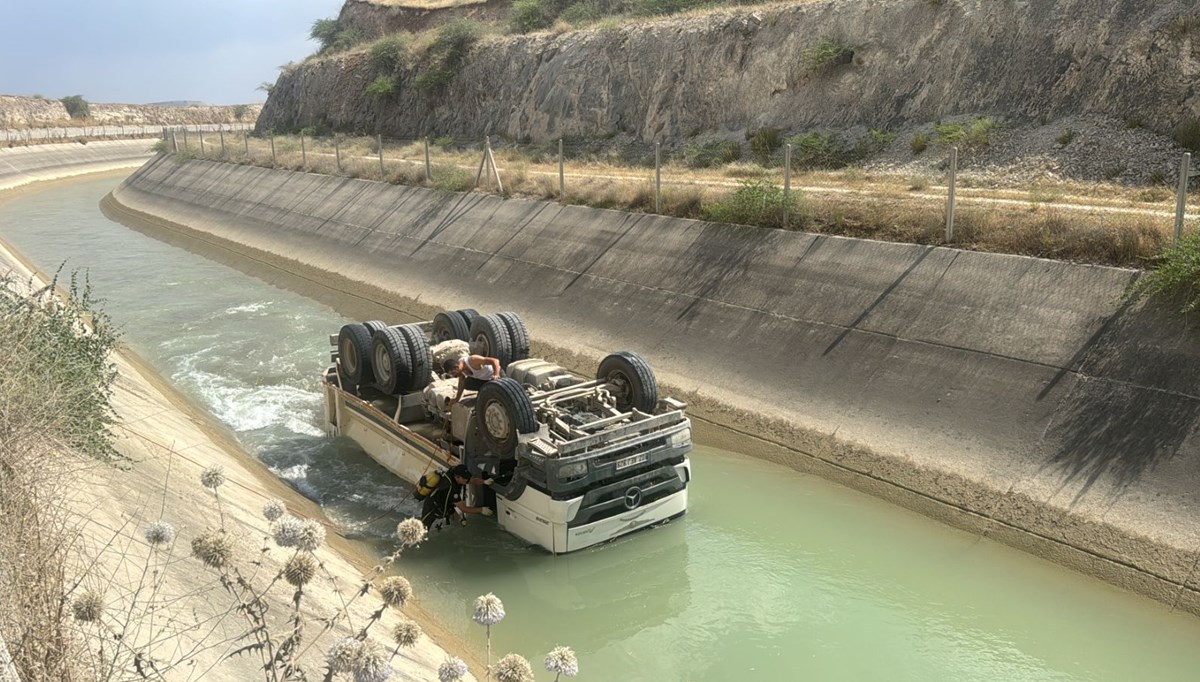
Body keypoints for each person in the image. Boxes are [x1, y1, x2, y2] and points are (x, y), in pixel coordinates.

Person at [420, 464, 494, 529]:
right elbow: (464, 509)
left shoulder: (456, 474)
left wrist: (484, 482)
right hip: (433, 506)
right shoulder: (452, 490)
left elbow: (473, 480)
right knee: (422, 530)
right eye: (464, 478)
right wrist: (481, 510)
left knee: (458, 522)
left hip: (447, 503)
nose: (466, 480)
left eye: (467, 477)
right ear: (457, 477)